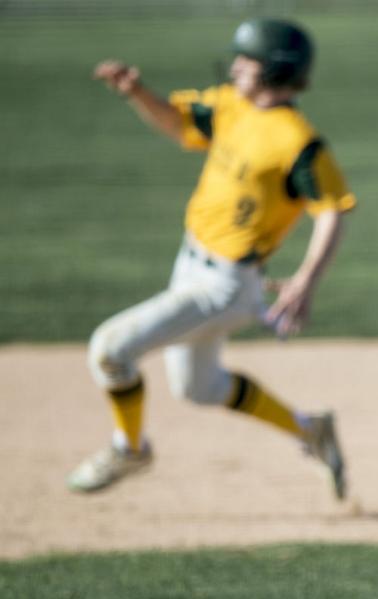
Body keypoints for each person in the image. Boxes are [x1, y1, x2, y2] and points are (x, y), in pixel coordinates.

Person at [69, 19, 355, 498]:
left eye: (248, 60)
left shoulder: (298, 142)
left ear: (275, 70)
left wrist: (306, 279)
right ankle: (311, 430)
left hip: (226, 287)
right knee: (199, 389)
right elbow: (180, 124)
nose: (236, 66)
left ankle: (130, 448)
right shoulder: (231, 105)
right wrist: (137, 92)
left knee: (110, 351)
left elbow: (332, 211)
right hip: (189, 266)